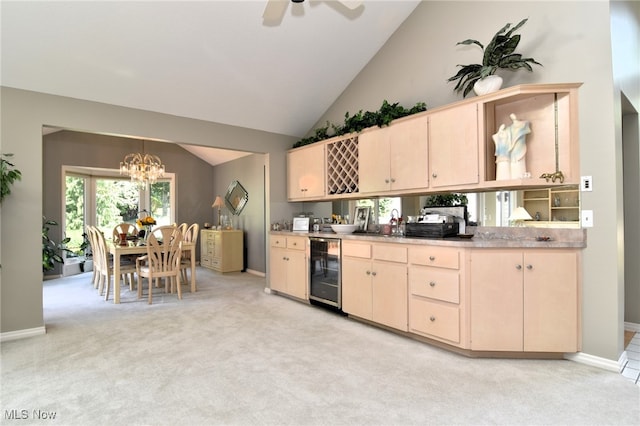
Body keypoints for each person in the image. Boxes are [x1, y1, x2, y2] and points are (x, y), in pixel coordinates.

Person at [507, 113, 531, 179]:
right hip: (512, 148)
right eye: (511, 116)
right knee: (514, 161)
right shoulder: (509, 128)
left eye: (513, 115)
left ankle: (522, 175)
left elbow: (527, 130)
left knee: (520, 159)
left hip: (520, 145)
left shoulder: (523, 124)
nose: (513, 117)